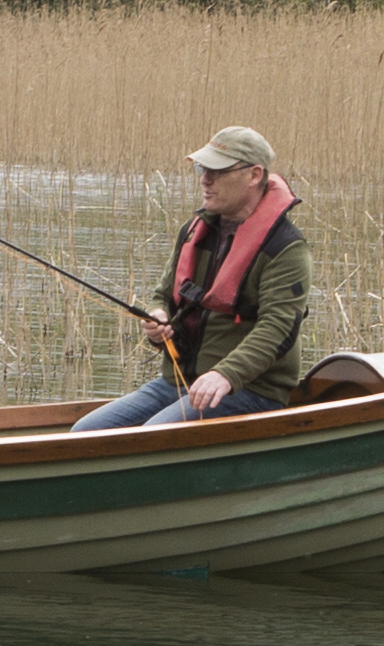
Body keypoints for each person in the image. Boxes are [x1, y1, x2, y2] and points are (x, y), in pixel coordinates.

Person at [78, 128, 309, 430]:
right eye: (203, 169)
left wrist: (225, 374)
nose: (205, 180)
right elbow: (163, 295)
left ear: (254, 175)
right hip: (178, 383)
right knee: (85, 432)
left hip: (249, 389)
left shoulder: (286, 248)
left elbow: (278, 327)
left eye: (218, 171)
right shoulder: (192, 231)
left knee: (151, 437)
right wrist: (158, 317)